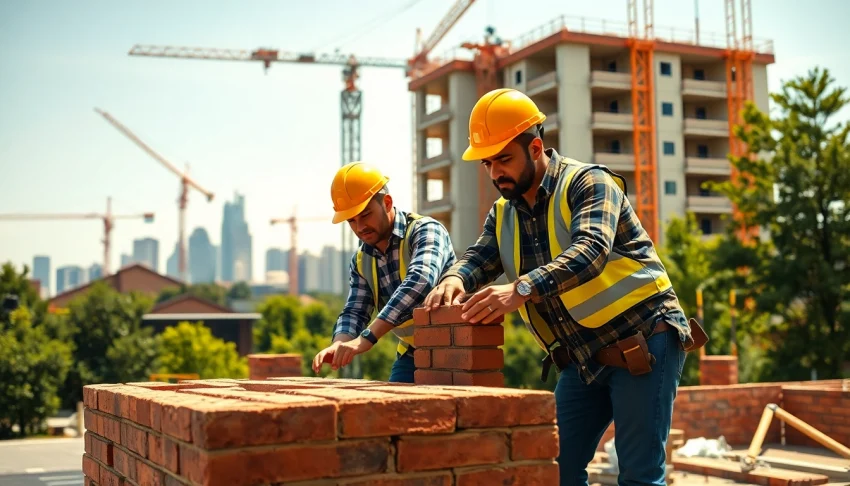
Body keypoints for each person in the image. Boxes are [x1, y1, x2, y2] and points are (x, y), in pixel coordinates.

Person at [423, 88, 707, 485]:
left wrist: (519, 290)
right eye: (487, 163)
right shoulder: (504, 213)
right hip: (582, 359)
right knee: (554, 470)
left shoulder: (589, 183)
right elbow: (479, 258)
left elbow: (590, 250)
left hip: (645, 342)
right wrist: (454, 277)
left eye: (504, 159)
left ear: (535, 147)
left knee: (639, 477)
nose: (494, 172)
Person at [313, 161, 456, 383]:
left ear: (387, 203)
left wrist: (367, 338)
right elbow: (355, 311)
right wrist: (340, 343)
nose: (360, 227)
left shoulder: (426, 230)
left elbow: (420, 281)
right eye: (352, 220)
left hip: (457, 347)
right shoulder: (362, 260)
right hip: (413, 352)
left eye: (365, 215)